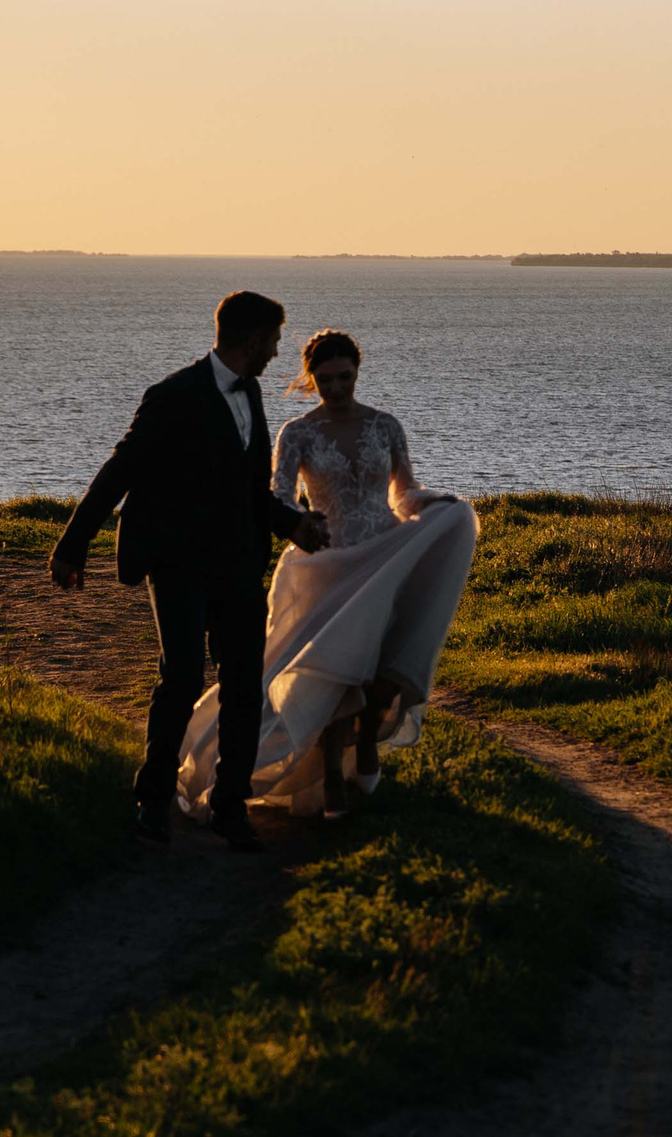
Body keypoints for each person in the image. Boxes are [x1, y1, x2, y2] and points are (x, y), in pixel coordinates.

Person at [48, 291, 327, 852]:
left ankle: (230, 807)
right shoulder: (172, 396)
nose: (278, 352)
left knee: (246, 684)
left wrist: (290, 524)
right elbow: (119, 470)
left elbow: (247, 486)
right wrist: (72, 546)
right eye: (274, 340)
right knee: (180, 678)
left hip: (238, 565)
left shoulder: (248, 392)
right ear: (251, 340)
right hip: (176, 565)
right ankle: (151, 803)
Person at [171, 327, 478, 820]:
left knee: (376, 663)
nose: (336, 387)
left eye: (344, 377)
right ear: (311, 379)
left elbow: (404, 492)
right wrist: (299, 521)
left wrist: (441, 505)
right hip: (325, 562)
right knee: (331, 670)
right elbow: (280, 494)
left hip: (381, 557)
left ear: (357, 372)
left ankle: (367, 738)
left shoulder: (385, 426)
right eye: (326, 379)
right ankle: (332, 771)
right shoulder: (299, 432)